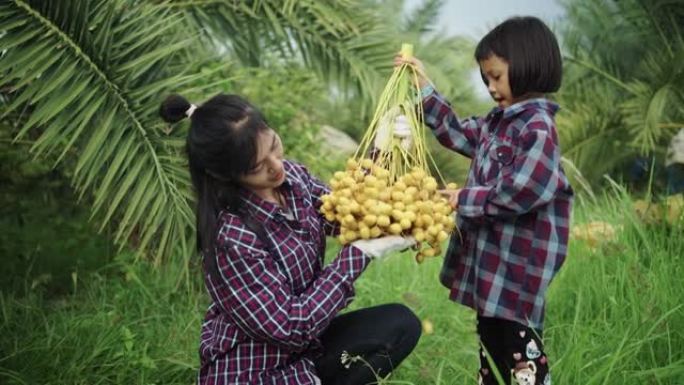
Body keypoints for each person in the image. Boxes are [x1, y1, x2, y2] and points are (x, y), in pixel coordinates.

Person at [159, 94, 421, 385]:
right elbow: (291, 327)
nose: (275, 166)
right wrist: (360, 253)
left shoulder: (292, 179)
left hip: (307, 349)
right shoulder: (231, 237)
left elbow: (344, 215)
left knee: (400, 324)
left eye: (274, 145)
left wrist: (382, 154)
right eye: (257, 167)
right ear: (224, 173)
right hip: (255, 369)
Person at [395, 16, 574, 385]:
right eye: (486, 78)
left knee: (523, 360)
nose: (490, 87)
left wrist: (463, 198)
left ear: (527, 67)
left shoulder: (537, 128)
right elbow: (456, 132)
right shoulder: (497, 123)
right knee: (491, 353)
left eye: (496, 76)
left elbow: (523, 191)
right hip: (493, 270)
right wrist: (423, 87)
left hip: (518, 273)